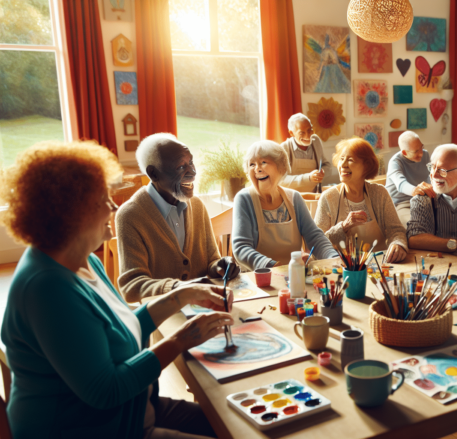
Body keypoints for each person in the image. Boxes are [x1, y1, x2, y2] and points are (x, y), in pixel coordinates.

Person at [0, 141, 234, 439]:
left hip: (133, 410)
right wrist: (179, 340)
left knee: (234, 423)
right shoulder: (46, 288)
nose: (113, 206)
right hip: (93, 428)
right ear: (69, 212)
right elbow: (106, 391)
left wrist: (184, 294)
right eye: (102, 199)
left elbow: (124, 326)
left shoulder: (85, 261)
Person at [117, 133, 239, 303]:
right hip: (162, 318)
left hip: (202, 308)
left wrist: (220, 266)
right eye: (181, 167)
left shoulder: (197, 206)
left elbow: (211, 261)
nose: (193, 173)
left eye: (191, 163)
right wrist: (177, 288)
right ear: (153, 174)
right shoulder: (130, 216)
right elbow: (132, 287)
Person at [233, 140, 337, 270]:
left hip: (294, 275)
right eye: (251, 164)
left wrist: (333, 258)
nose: (257, 169)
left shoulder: (294, 198)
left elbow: (315, 237)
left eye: (263, 162)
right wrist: (273, 265)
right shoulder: (244, 199)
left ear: (281, 167)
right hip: (259, 277)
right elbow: (241, 247)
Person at [315, 138, 409, 263]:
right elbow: (317, 242)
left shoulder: (379, 193)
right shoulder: (328, 197)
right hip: (343, 268)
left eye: (350, 160)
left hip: (379, 265)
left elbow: (396, 230)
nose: (343, 165)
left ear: (366, 166)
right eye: (341, 159)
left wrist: (398, 244)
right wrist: (343, 227)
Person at [385, 131, 434, 227]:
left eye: (421, 147)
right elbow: (401, 184)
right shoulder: (395, 162)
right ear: (404, 152)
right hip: (402, 203)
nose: (421, 154)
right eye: (416, 151)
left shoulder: (425, 154)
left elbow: (432, 175)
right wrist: (414, 190)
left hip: (423, 200)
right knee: (416, 226)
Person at [279, 113, 332, 192]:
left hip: (314, 195)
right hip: (292, 197)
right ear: (291, 133)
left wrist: (322, 173)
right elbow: (281, 180)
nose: (308, 135)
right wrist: (308, 178)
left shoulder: (316, 141)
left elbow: (326, 165)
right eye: (302, 133)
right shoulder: (284, 148)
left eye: (309, 130)